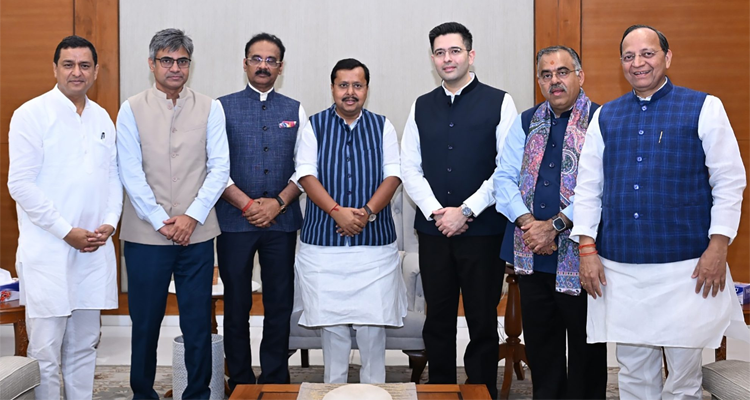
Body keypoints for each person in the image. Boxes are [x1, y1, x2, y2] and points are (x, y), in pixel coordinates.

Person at [571, 24, 750, 400]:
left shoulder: (704, 107)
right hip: (620, 267)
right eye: (629, 56)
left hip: (686, 268)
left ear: (667, 57)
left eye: (647, 53)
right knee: (634, 371)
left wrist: (718, 246)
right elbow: (587, 189)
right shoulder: (605, 116)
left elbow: (730, 181)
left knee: (683, 377)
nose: (638, 63)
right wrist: (586, 249)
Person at [400, 22, 517, 399]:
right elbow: (409, 168)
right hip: (435, 232)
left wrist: (466, 210)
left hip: (483, 232)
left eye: (454, 51)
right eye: (439, 52)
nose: (447, 59)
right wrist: (438, 212)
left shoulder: (500, 102)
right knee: (438, 319)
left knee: (482, 319)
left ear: (470, 54)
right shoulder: (421, 105)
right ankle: (441, 391)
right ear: (432, 58)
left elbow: (507, 168)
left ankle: (481, 391)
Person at [116, 28, 230, 400]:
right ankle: (143, 393)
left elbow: (220, 168)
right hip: (146, 236)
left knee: (197, 324)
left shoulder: (210, 107)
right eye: (167, 60)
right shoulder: (131, 108)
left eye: (182, 61)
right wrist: (159, 220)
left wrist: (191, 216)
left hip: (197, 235)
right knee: (145, 324)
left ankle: (197, 394)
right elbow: (129, 171)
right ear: (152, 64)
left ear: (189, 65)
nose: (175, 68)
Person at [7, 35, 122, 400]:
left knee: (85, 344)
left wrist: (110, 222)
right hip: (49, 251)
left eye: (84, 65)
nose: (77, 72)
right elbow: (20, 185)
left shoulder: (102, 117)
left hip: (93, 249)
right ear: (54, 68)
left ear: (96, 71)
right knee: (45, 350)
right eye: (68, 64)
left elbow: (113, 177)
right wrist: (65, 231)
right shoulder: (31, 114)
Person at [493, 45, 607, 400]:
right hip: (533, 253)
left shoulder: (601, 119)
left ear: (580, 76)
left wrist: (554, 226)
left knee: (587, 348)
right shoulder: (526, 121)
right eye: (546, 74)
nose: (554, 81)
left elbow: (602, 186)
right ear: (539, 81)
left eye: (562, 72)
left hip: (582, 255)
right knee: (542, 346)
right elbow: (504, 177)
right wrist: (529, 223)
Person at [294, 58, 406, 384]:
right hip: (324, 246)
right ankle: (334, 389)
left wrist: (366, 212)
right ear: (332, 88)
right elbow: (306, 175)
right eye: (343, 85)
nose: (350, 92)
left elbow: (393, 175)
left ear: (367, 89)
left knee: (372, 327)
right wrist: (337, 212)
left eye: (357, 85)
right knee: (333, 329)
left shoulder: (383, 126)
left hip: (374, 246)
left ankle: (375, 389)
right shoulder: (314, 126)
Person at [216, 32, 306, 388]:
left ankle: (275, 379)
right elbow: (214, 166)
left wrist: (278, 203)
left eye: (271, 60)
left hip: (281, 224)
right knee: (236, 303)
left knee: (279, 303)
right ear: (245, 63)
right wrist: (248, 204)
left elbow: (305, 168)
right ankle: (239, 379)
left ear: (281, 67)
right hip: (234, 222)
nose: (263, 65)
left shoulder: (295, 109)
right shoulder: (221, 107)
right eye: (257, 59)